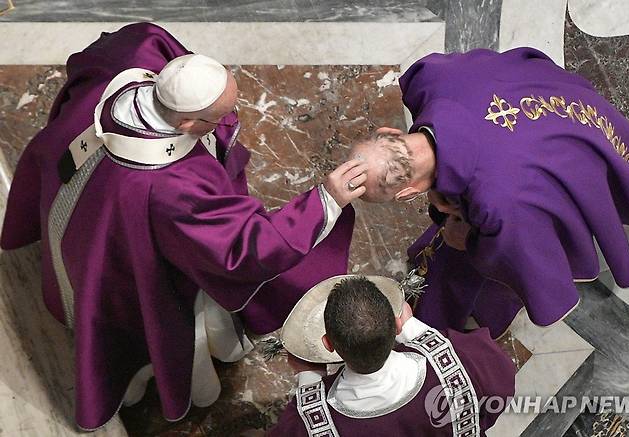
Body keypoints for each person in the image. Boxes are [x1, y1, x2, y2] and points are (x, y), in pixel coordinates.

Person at [0, 22, 367, 430]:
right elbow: (243, 249)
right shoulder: (170, 184)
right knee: (156, 317)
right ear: (189, 124)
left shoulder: (127, 65)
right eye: (219, 117)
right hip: (128, 263)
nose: (229, 120)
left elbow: (134, 38)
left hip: (83, 223)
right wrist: (326, 200)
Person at [348, 47, 629, 339]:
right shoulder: (433, 81)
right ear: (390, 134)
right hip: (579, 111)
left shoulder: (497, 204)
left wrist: (469, 240)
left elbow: (521, 256)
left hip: (591, 172)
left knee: (470, 263)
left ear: (407, 193)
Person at [270, 276, 516, 436]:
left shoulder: (312, 427)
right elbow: (501, 385)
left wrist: (309, 377)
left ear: (327, 344)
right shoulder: (464, 362)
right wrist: (415, 329)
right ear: (397, 326)